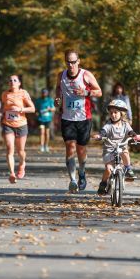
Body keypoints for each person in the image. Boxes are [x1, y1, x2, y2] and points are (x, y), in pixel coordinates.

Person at [54, 50, 102, 193]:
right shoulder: (61, 76)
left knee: (81, 150)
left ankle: (82, 172)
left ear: (78, 61)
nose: (71, 65)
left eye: (73, 62)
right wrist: (57, 98)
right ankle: (73, 180)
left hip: (84, 118)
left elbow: (99, 92)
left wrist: (86, 92)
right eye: (68, 62)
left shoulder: (85, 75)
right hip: (67, 118)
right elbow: (58, 89)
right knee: (70, 147)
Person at [94, 99, 140, 195]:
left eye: (116, 112)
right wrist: (99, 136)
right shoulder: (108, 125)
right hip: (109, 149)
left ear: (122, 114)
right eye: (111, 113)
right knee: (109, 169)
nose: (113, 115)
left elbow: (130, 132)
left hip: (121, 147)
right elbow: (103, 131)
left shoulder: (125, 125)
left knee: (125, 152)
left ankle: (128, 169)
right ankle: (103, 183)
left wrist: (135, 136)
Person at [1, 75, 35, 183]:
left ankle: (22, 164)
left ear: (19, 83)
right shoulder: (5, 94)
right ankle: (11, 173)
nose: (12, 82)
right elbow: (4, 107)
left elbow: (32, 109)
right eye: (10, 80)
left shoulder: (23, 93)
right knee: (9, 148)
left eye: (15, 80)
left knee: (20, 150)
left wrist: (20, 109)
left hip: (21, 125)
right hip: (8, 124)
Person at [35, 88, 55, 152]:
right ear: (42, 93)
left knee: (47, 133)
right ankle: (41, 146)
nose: (44, 94)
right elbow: (35, 109)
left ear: (47, 93)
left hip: (48, 119)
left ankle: (46, 145)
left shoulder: (50, 100)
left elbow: (54, 109)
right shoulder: (38, 100)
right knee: (41, 132)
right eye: (43, 92)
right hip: (41, 119)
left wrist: (49, 109)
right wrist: (36, 113)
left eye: (45, 92)